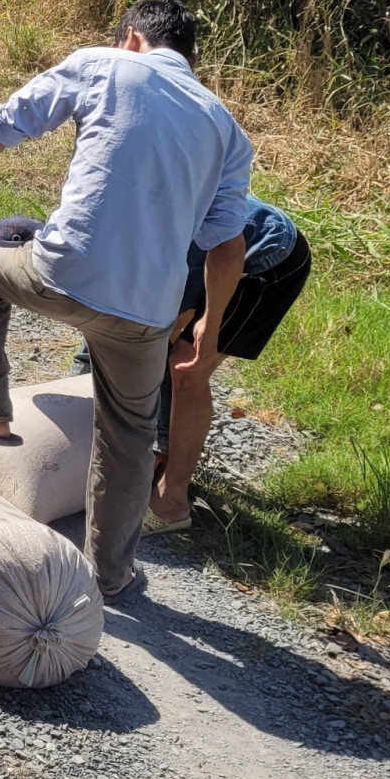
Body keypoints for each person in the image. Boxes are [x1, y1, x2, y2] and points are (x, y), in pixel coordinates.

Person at [0, 0, 252, 599]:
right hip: (149, 312)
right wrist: (210, 324)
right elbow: (228, 247)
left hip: (59, 276)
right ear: (189, 56)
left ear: (132, 38)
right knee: (127, 437)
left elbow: (1, 126)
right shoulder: (226, 128)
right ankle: (110, 575)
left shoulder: (103, 65)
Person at [69, 194, 312, 532]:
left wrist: (147, 442)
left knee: (186, 367)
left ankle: (173, 500)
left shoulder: (156, 251)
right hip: (209, 249)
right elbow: (96, 340)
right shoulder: (107, 245)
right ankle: (153, 457)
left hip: (263, 257)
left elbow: (160, 338)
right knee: (128, 343)